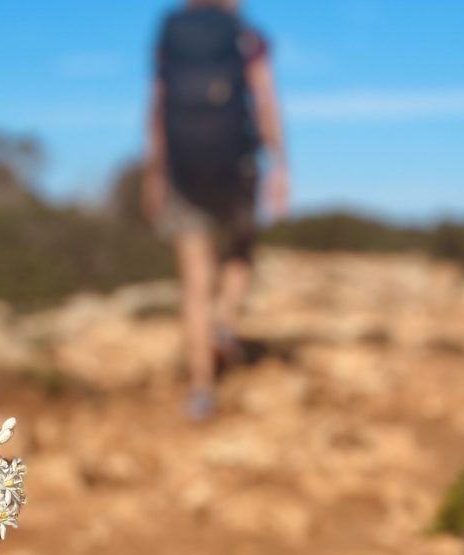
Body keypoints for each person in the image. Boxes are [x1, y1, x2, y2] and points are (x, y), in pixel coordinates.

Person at [143, 0, 288, 420]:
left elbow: (157, 106)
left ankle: (201, 391)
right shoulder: (248, 38)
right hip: (236, 163)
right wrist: (279, 164)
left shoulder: (170, 35)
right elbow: (265, 101)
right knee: (242, 247)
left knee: (194, 280)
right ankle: (223, 322)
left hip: (183, 169)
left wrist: (154, 172)